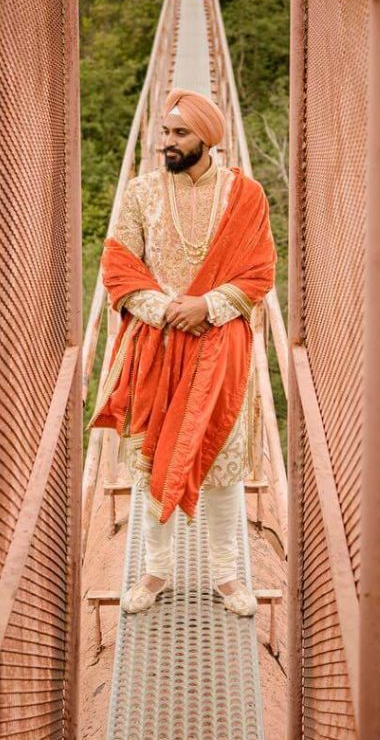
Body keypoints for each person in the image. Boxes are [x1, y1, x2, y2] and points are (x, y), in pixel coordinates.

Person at [89, 87, 277, 617]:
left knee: (221, 460)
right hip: (157, 345)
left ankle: (226, 575)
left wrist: (210, 306)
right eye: (163, 134)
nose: (166, 143)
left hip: (220, 349)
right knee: (152, 460)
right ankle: (156, 569)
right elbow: (118, 266)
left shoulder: (246, 197)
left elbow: (260, 271)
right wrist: (165, 308)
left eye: (178, 134)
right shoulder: (141, 193)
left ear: (207, 139)